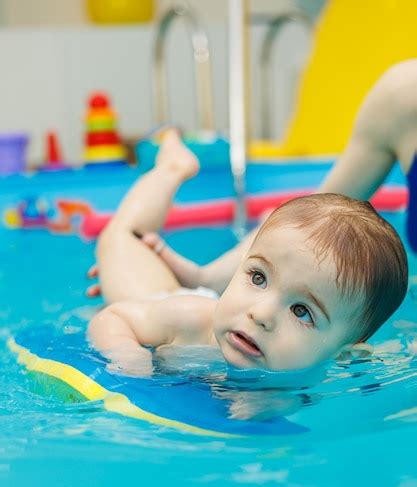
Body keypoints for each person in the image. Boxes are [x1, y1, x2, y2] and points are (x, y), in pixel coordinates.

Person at [88, 129, 408, 376]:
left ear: (342, 356)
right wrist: (129, 358)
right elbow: (112, 318)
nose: (262, 314)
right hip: (154, 298)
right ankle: (173, 168)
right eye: (257, 277)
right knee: (121, 236)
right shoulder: (189, 320)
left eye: (301, 311)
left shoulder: (309, 377)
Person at [129, 58, 417, 295]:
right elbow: (312, 220)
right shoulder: (403, 97)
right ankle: (170, 168)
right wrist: (197, 278)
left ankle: (172, 166)